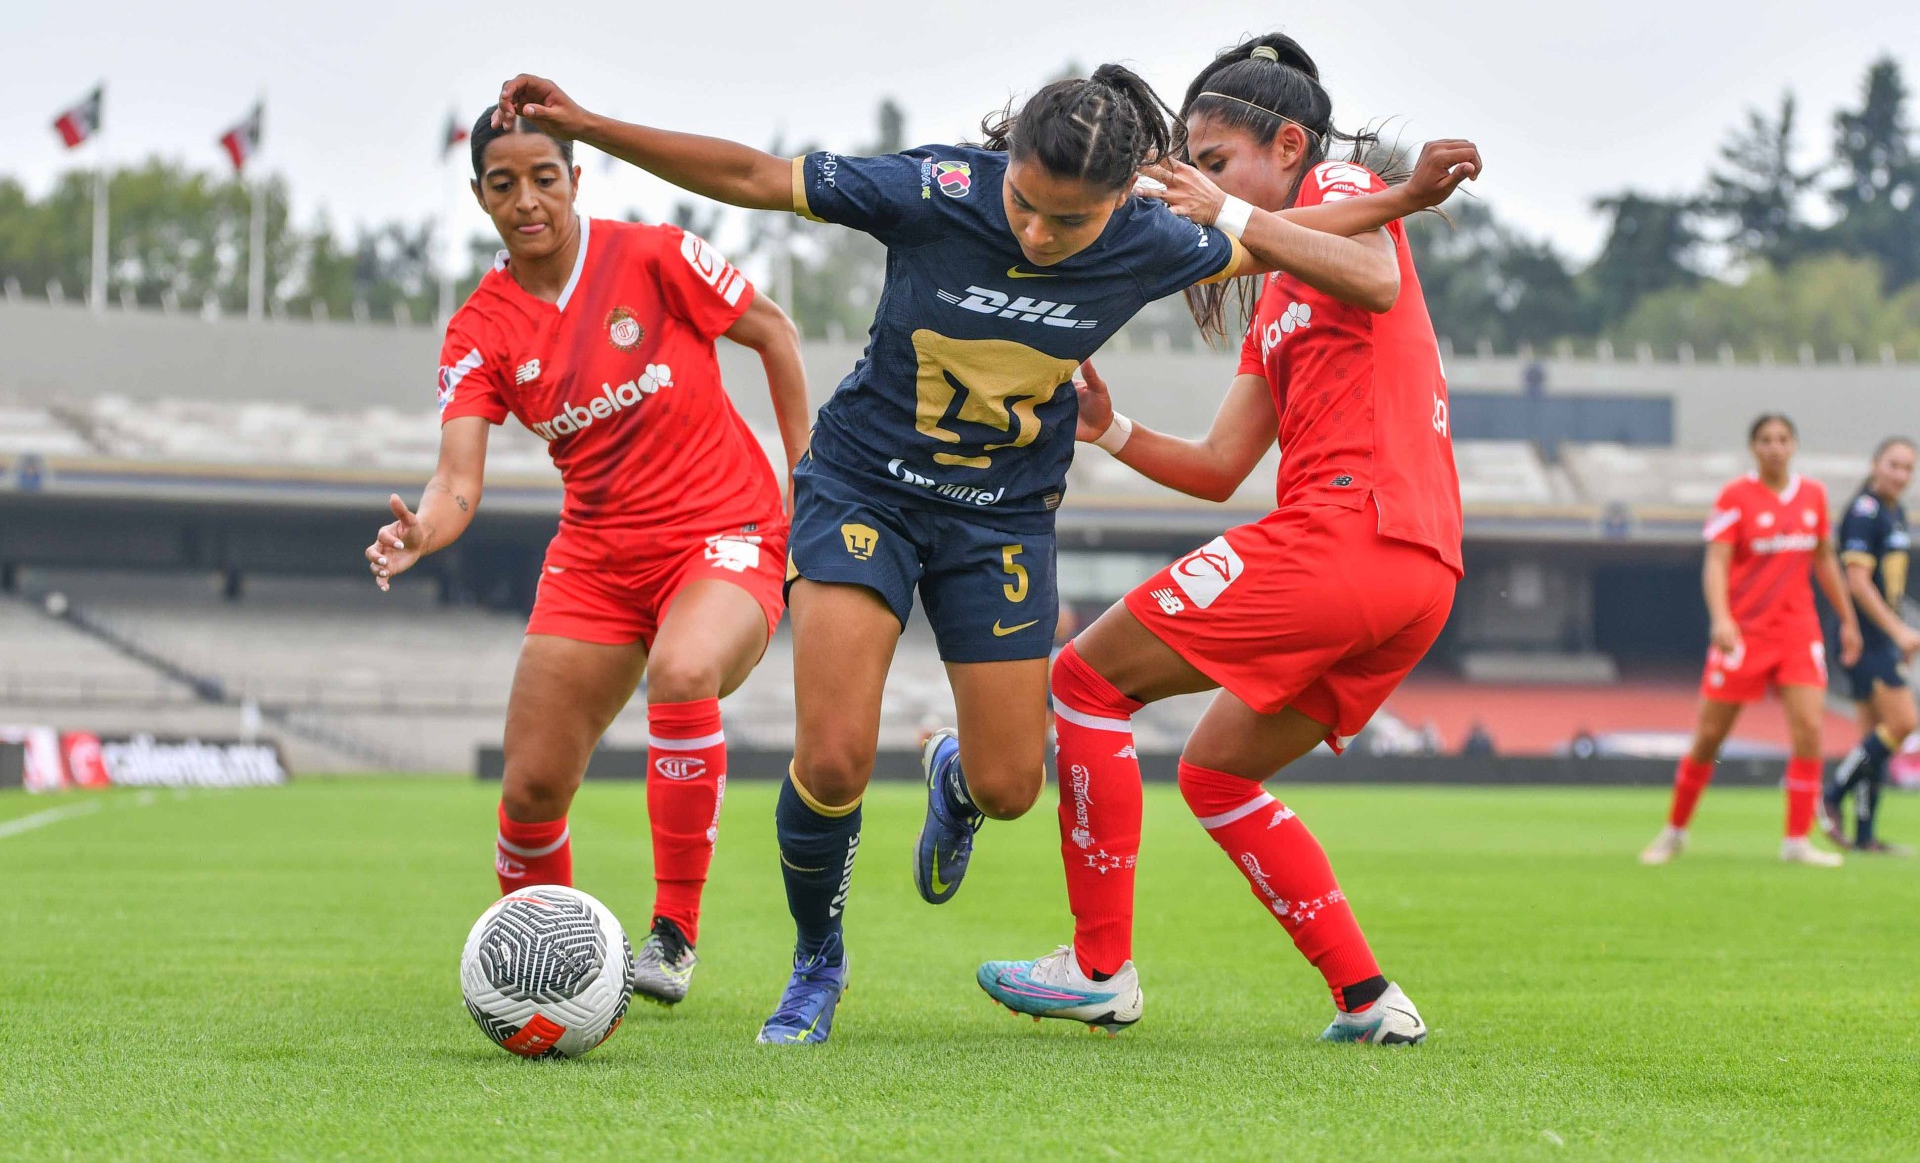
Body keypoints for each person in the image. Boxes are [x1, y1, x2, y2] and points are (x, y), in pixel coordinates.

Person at [493, 67, 1478, 1044]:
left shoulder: (1151, 238)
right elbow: (754, 176)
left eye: (1069, 222)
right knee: (832, 756)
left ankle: (956, 783)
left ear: (1117, 204)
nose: (1040, 234)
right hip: (866, 486)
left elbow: (1297, 240)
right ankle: (816, 965)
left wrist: (1404, 200)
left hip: (1001, 517)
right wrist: (591, 126)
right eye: (1026, 206)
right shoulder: (936, 189)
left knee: (1011, 786)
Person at [975, 34, 1478, 1045]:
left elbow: (1377, 276)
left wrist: (1228, 212)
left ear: (1288, 145)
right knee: (1216, 772)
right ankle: (1370, 1000)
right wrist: (1111, 428)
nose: (1198, 184)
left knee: (1084, 682)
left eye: (1214, 161)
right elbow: (1217, 468)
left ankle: (1098, 968)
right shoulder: (1279, 294)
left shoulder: (1339, 187)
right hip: (1412, 568)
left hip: (1353, 531)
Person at [363, 109, 810, 1007]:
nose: (527, 200)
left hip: (723, 528)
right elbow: (457, 479)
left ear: (575, 180)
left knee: (683, 670)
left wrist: (810, 481)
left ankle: (674, 932)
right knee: (530, 787)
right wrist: (423, 531)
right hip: (598, 560)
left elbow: (775, 333)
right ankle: (545, 983)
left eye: (544, 178)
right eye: (503, 185)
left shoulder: (654, 255)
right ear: (480, 197)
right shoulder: (479, 328)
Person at [1640, 414, 1862, 868]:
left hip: (1797, 632)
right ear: (1753, 448)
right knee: (1709, 737)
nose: (1774, 447)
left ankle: (1796, 841)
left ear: (1794, 445)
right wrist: (1721, 618)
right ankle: (1674, 831)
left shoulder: (1814, 496)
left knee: (1810, 730)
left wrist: (1848, 620)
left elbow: (1825, 560)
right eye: (1765, 440)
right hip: (1744, 634)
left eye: (1782, 439)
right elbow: (1717, 562)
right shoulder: (1735, 497)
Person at [1821, 436, 1917, 853]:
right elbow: (1857, 583)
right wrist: (1898, 632)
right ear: (1875, 464)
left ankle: (1864, 835)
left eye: (1908, 468)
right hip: (1865, 638)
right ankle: (1830, 795)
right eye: (1893, 464)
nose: (1901, 474)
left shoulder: (1897, 513)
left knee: (1873, 737)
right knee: (1904, 723)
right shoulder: (1865, 512)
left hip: (1880, 637)